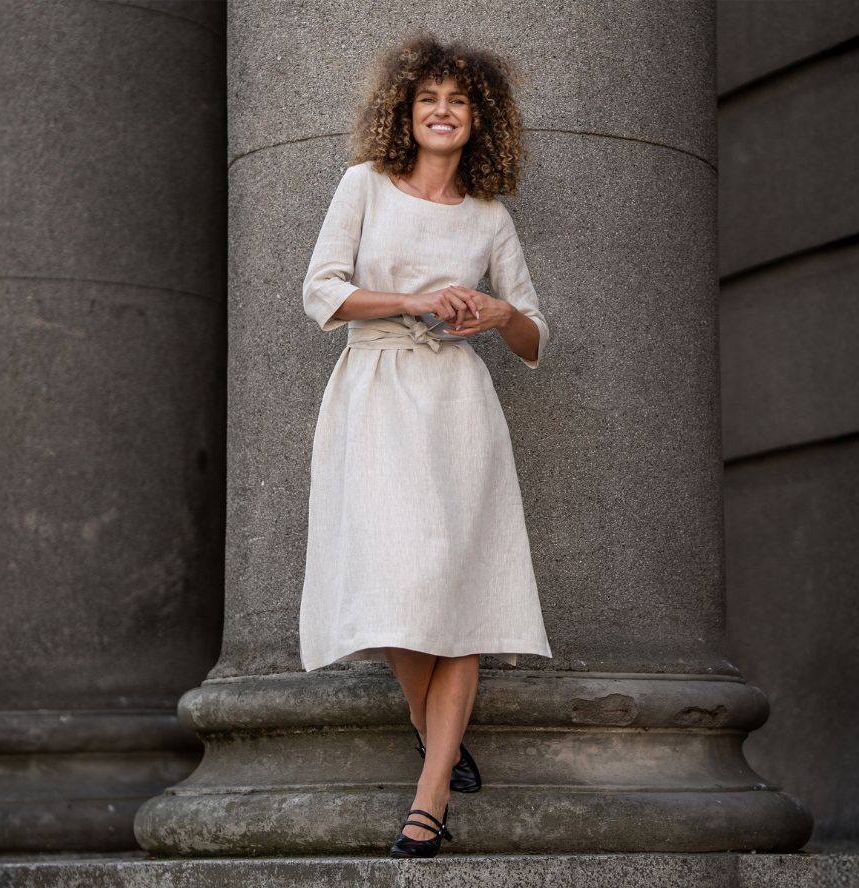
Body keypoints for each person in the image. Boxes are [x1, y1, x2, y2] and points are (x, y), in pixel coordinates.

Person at [297, 33, 553, 858]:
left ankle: (431, 790)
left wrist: (494, 314)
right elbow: (321, 291)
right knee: (395, 585)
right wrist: (410, 298)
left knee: (459, 591)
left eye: (459, 101)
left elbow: (534, 336)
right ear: (406, 112)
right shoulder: (363, 185)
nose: (443, 112)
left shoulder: (489, 216)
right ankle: (431, 730)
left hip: (456, 405)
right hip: (374, 395)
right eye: (429, 99)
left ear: (479, 120)